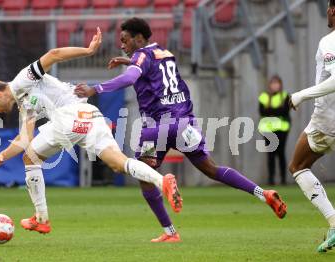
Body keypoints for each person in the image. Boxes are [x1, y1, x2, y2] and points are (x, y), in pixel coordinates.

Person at [74, 17, 287, 243]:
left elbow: (130, 78)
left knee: (143, 175)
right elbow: (151, 71)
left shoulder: (141, 56)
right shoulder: (163, 53)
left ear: (139, 38)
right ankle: (263, 194)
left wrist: (94, 89)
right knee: (211, 169)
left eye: (125, 41)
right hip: (184, 124)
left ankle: (170, 229)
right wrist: (129, 61)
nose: (122, 45)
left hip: (156, 128)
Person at [0, 28, 182, 235]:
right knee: (118, 163)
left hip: (68, 117)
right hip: (89, 114)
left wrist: (88, 50)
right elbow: (25, 139)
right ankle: (162, 181)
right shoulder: (24, 103)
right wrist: (2, 156)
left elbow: (53, 55)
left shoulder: (23, 80)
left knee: (31, 158)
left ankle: (42, 218)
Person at [288, 0, 335, 252]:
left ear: (333, 10)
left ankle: (334, 221)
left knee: (298, 165)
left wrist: (302, 95)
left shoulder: (329, 41)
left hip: (328, 120)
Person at [258, 75, 291, 185]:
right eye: (273, 83)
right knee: (271, 154)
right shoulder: (264, 96)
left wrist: (271, 110)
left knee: (281, 153)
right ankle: (271, 179)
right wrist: (277, 111)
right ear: (269, 85)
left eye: (277, 83)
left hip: (282, 129)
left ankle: (283, 179)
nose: (275, 85)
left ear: (280, 85)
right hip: (268, 129)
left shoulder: (285, 96)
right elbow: (262, 112)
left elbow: (285, 111)